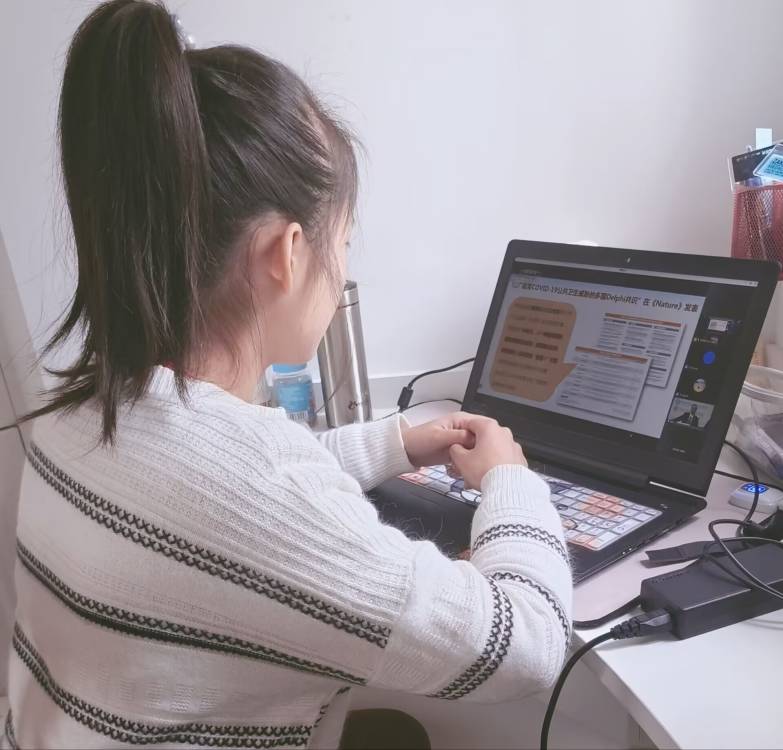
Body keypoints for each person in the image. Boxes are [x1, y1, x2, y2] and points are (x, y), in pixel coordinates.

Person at [4, 1, 572, 748]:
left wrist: (397, 443)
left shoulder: (82, 404)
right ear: (286, 253)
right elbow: (526, 645)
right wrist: (510, 480)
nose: (342, 270)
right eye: (344, 242)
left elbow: (220, 490)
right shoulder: (257, 489)